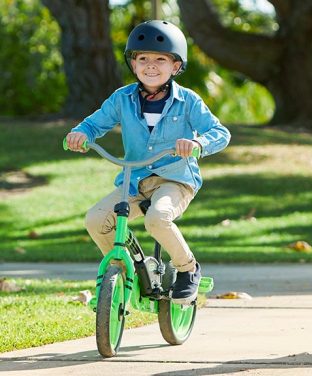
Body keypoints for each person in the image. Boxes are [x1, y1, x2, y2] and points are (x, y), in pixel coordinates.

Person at [65, 20, 231, 305]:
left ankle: (187, 268)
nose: (150, 65)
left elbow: (220, 133)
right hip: (135, 180)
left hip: (175, 179)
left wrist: (197, 144)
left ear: (175, 66)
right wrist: (80, 133)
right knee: (96, 220)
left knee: (157, 218)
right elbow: (95, 124)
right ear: (133, 64)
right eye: (143, 58)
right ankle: (129, 271)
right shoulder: (122, 98)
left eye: (160, 59)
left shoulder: (188, 101)